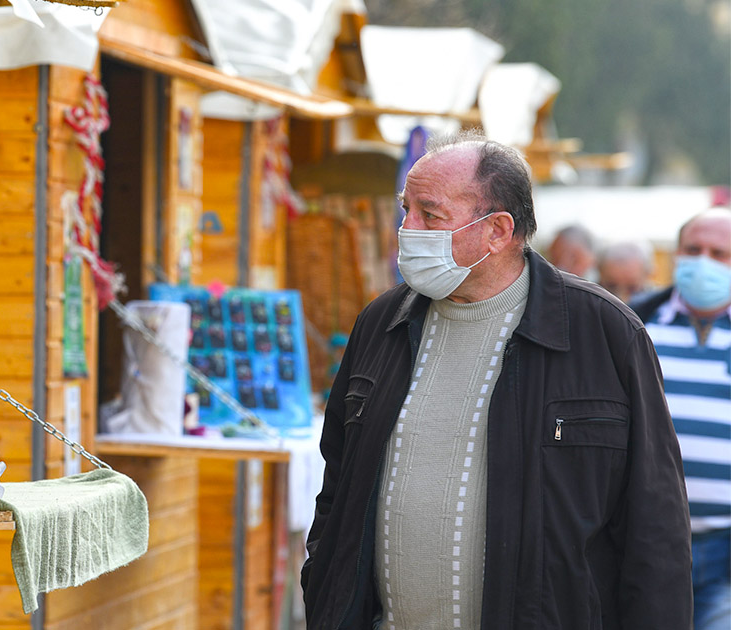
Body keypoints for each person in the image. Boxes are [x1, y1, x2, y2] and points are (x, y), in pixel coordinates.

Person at [302, 132, 692, 629]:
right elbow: (337, 488)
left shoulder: (603, 332)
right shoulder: (381, 323)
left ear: (497, 231)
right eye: (406, 211)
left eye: (430, 214)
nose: (406, 229)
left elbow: (655, 528)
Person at [630, 207, 731, 630]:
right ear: (676, 254)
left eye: (719, 253)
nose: (703, 260)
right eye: (694, 249)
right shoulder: (636, 322)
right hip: (651, 545)